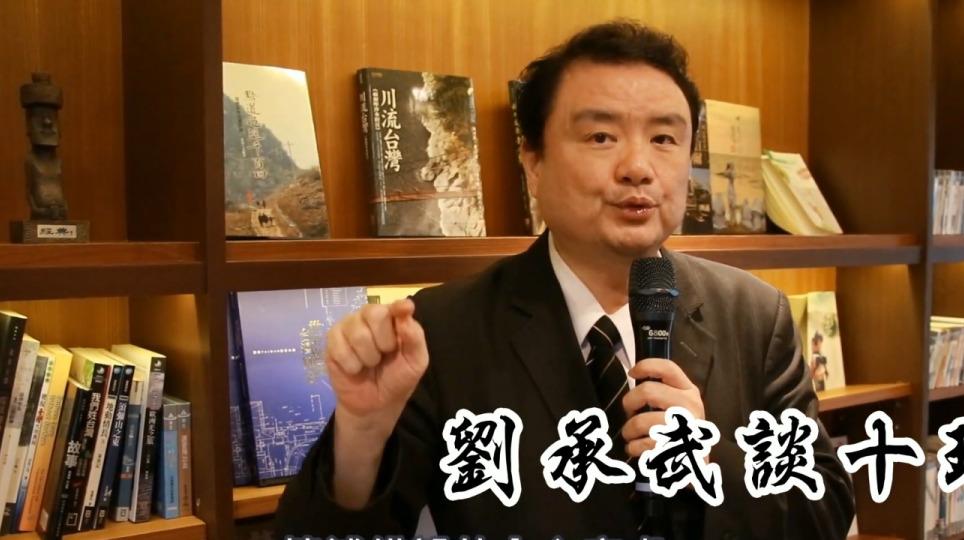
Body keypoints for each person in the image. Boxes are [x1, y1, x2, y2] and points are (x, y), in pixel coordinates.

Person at [276, 19, 855, 540]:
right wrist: (362, 432)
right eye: (601, 136)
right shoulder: (441, 331)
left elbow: (826, 511)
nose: (638, 167)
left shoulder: (755, 315)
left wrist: (712, 463)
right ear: (533, 163)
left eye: (664, 138)